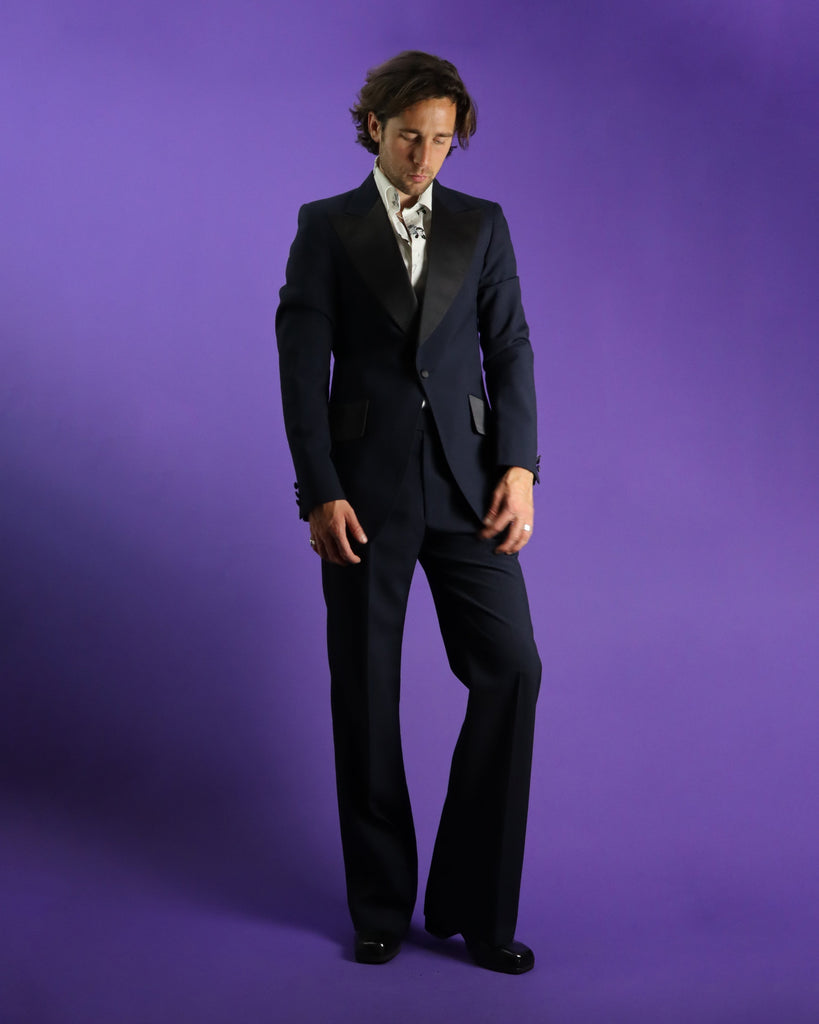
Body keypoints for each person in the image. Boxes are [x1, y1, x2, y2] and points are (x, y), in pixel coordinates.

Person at [276, 50, 541, 975]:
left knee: (511, 669)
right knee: (365, 693)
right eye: (408, 138)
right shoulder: (326, 226)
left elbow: (508, 347)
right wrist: (319, 489)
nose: (424, 156)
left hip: (469, 487)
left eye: (441, 140)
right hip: (362, 494)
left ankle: (476, 906)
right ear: (374, 130)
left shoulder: (482, 223)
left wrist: (520, 467)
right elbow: (300, 367)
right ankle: (380, 906)